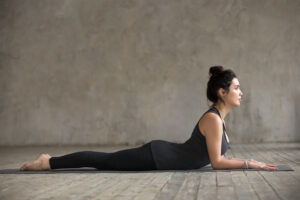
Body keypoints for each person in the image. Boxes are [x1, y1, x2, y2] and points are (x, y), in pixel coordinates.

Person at [20, 66, 278, 171]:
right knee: (103, 160)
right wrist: (250, 163)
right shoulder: (212, 119)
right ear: (222, 93)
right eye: (236, 88)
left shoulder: (219, 120)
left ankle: (49, 161)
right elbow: (218, 162)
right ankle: (48, 162)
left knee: (104, 161)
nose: (241, 92)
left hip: (161, 156)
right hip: (156, 156)